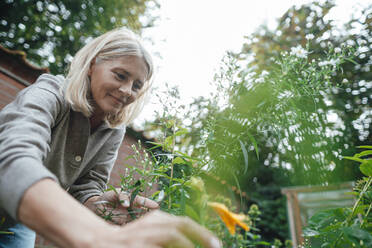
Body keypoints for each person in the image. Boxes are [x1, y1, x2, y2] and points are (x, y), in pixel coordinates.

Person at [0, 28, 221, 248]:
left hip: (15, 220)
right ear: (92, 65)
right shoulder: (50, 93)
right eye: (120, 75)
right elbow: (11, 160)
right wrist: (100, 236)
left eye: (136, 86)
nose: (127, 91)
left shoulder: (114, 130)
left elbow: (86, 187)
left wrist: (100, 205)